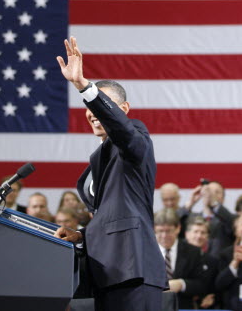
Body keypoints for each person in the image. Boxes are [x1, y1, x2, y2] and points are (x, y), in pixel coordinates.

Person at [53, 37, 167, 310]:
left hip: (133, 268)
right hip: (106, 272)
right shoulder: (98, 159)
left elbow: (122, 129)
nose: (92, 113)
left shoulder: (135, 138)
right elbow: (111, 214)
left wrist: (84, 86)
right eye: (89, 108)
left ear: (123, 110)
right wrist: (82, 236)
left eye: (100, 105)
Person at [154, 209, 213, 309]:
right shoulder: (145, 252)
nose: (164, 236)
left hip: (182, 306)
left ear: (178, 228)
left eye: (168, 231)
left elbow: (202, 285)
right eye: (160, 231)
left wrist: (182, 284)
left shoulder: (193, 252)